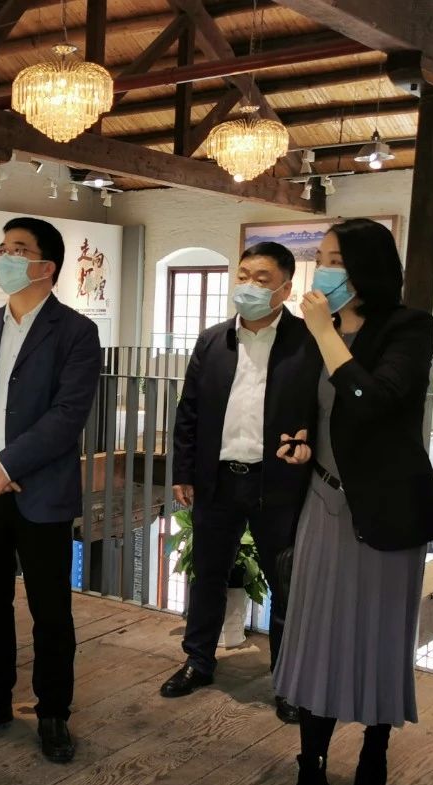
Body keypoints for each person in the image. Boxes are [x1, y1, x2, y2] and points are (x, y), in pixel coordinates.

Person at [268, 218, 433, 785]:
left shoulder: (408, 327)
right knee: (314, 641)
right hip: (322, 502)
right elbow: (312, 409)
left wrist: (325, 331)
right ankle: (311, 776)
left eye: (334, 259)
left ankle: (375, 749)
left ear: (366, 267)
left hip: (385, 514)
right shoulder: (313, 333)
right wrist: (297, 440)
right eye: (320, 258)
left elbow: (375, 401)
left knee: (376, 638)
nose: (322, 270)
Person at [0, 217, 102, 764]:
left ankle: (54, 710)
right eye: (3, 248)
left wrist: (8, 463)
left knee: (50, 609)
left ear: (46, 266)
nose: (5, 258)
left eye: (18, 250)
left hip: (41, 491)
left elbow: (67, 415)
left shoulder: (76, 333)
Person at [164, 241, 320, 725]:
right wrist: (183, 472)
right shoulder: (213, 341)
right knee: (207, 574)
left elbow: (323, 414)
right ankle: (198, 660)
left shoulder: (309, 342)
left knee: (284, 582)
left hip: (278, 484)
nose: (249, 285)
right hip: (217, 480)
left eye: (262, 279)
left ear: (285, 289)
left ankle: (288, 682)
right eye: (244, 275)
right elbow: (189, 412)